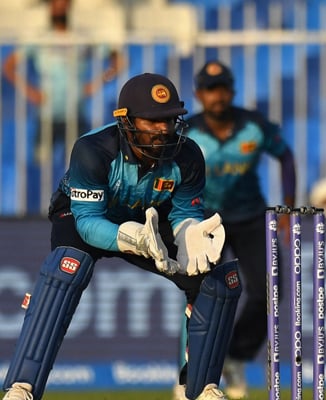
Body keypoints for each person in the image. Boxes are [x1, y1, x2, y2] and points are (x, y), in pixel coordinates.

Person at [2, 72, 240, 400]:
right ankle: (22, 385)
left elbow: (184, 213)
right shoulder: (93, 149)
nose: (164, 129)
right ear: (126, 121)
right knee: (67, 268)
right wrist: (135, 239)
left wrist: (188, 236)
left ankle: (198, 388)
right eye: (153, 121)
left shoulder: (188, 156)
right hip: (82, 215)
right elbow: (88, 224)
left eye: (170, 119)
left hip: (150, 220)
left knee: (211, 279)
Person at [172, 60, 297, 400]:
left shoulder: (253, 126)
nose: (217, 96)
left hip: (251, 218)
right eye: (210, 90)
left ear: (232, 91)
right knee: (198, 298)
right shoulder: (187, 133)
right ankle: (189, 378)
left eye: (223, 88)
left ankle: (235, 356)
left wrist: (286, 206)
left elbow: (285, 157)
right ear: (199, 94)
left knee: (269, 292)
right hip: (204, 220)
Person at [2, 0, 122, 187]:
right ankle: (40, 210)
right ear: (49, 8)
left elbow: (117, 59)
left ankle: (73, 209)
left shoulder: (81, 38)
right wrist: (31, 92)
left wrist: (98, 82)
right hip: (47, 115)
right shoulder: (40, 39)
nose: (59, 7)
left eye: (63, 3)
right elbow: (9, 66)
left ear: (69, 6)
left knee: (80, 165)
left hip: (75, 114)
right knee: (41, 169)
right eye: (55, 3)